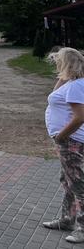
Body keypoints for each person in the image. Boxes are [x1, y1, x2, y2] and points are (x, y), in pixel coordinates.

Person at [42, 47, 84, 243]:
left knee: (78, 184)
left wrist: (61, 137)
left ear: (65, 63)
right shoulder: (72, 83)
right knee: (67, 180)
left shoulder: (76, 86)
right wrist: (64, 75)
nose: (56, 64)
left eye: (59, 61)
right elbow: (53, 96)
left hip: (71, 142)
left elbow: (80, 117)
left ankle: (82, 228)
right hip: (69, 141)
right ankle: (67, 219)